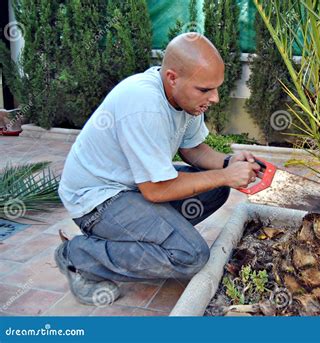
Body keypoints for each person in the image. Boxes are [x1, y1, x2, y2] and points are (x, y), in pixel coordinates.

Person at [55, 33, 260, 306]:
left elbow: (194, 149)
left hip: (130, 189)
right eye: (205, 90)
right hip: (97, 201)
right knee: (190, 256)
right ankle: (79, 255)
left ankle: (142, 241)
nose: (215, 98)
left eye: (216, 88)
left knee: (216, 189)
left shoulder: (183, 98)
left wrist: (228, 163)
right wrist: (225, 175)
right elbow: (155, 190)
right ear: (173, 77)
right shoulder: (144, 105)